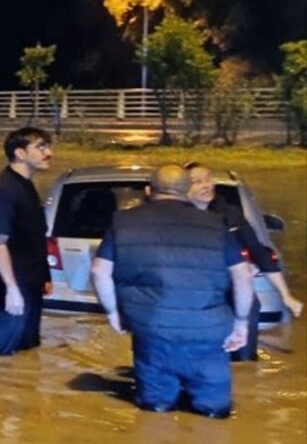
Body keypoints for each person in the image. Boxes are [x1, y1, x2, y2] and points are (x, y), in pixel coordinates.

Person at [91, 165, 252, 418]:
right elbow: (242, 275)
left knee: (155, 413)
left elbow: (99, 271)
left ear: (148, 190)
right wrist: (241, 322)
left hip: (152, 331)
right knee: (215, 414)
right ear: (188, 190)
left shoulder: (123, 222)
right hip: (208, 333)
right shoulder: (215, 224)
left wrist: (113, 312)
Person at [185, 162, 303, 361]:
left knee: (249, 306)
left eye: (208, 179)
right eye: (198, 182)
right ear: (182, 189)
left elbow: (260, 254)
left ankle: (244, 365)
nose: (207, 185)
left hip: (228, 288)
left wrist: (286, 296)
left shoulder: (230, 214)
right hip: (188, 292)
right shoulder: (173, 218)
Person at [0, 126, 54, 356]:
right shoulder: (2, 191)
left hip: (27, 278)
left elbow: (34, 234)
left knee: (27, 345)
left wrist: (43, 275)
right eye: (41, 147)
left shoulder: (24, 186)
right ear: (20, 153)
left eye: (48, 146)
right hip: (5, 281)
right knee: (1, 350)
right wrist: (12, 289)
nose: (49, 153)